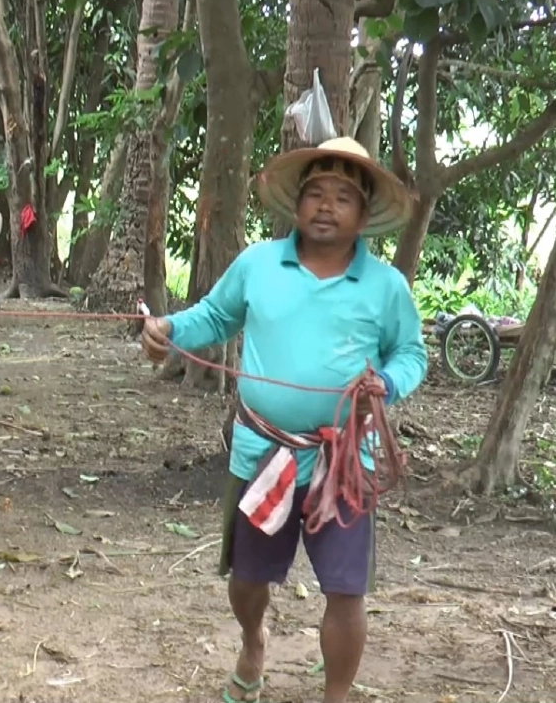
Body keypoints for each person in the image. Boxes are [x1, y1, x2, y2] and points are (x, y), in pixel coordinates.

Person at [141, 136, 428, 703]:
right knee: (248, 581)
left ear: (364, 215)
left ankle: (336, 695)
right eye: (315, 193)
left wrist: (387, 385)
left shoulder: (386, 287)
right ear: (296, 205)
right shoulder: (258, 265)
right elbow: (215, 316)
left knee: (346, 591)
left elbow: (411, 354)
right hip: (263, 456)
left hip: (345, 464)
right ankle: (253, 642)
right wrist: (170, 332)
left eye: (342, 197)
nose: (326, 206)